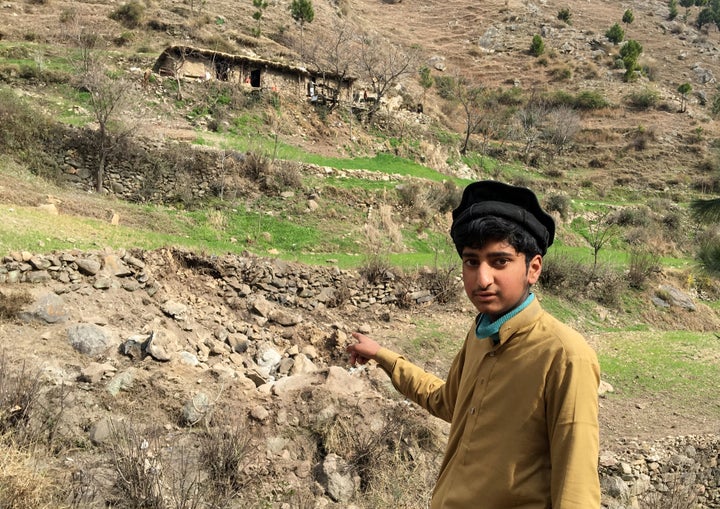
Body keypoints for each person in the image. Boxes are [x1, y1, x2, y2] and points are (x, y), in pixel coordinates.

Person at [346, 180, 601, 508]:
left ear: (533, 268)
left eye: (499, 262)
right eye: (471, 262)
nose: (482, 279)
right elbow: (447, 402)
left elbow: (576, 489)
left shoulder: (565, 356)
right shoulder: (481, 334)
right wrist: (383, 356)